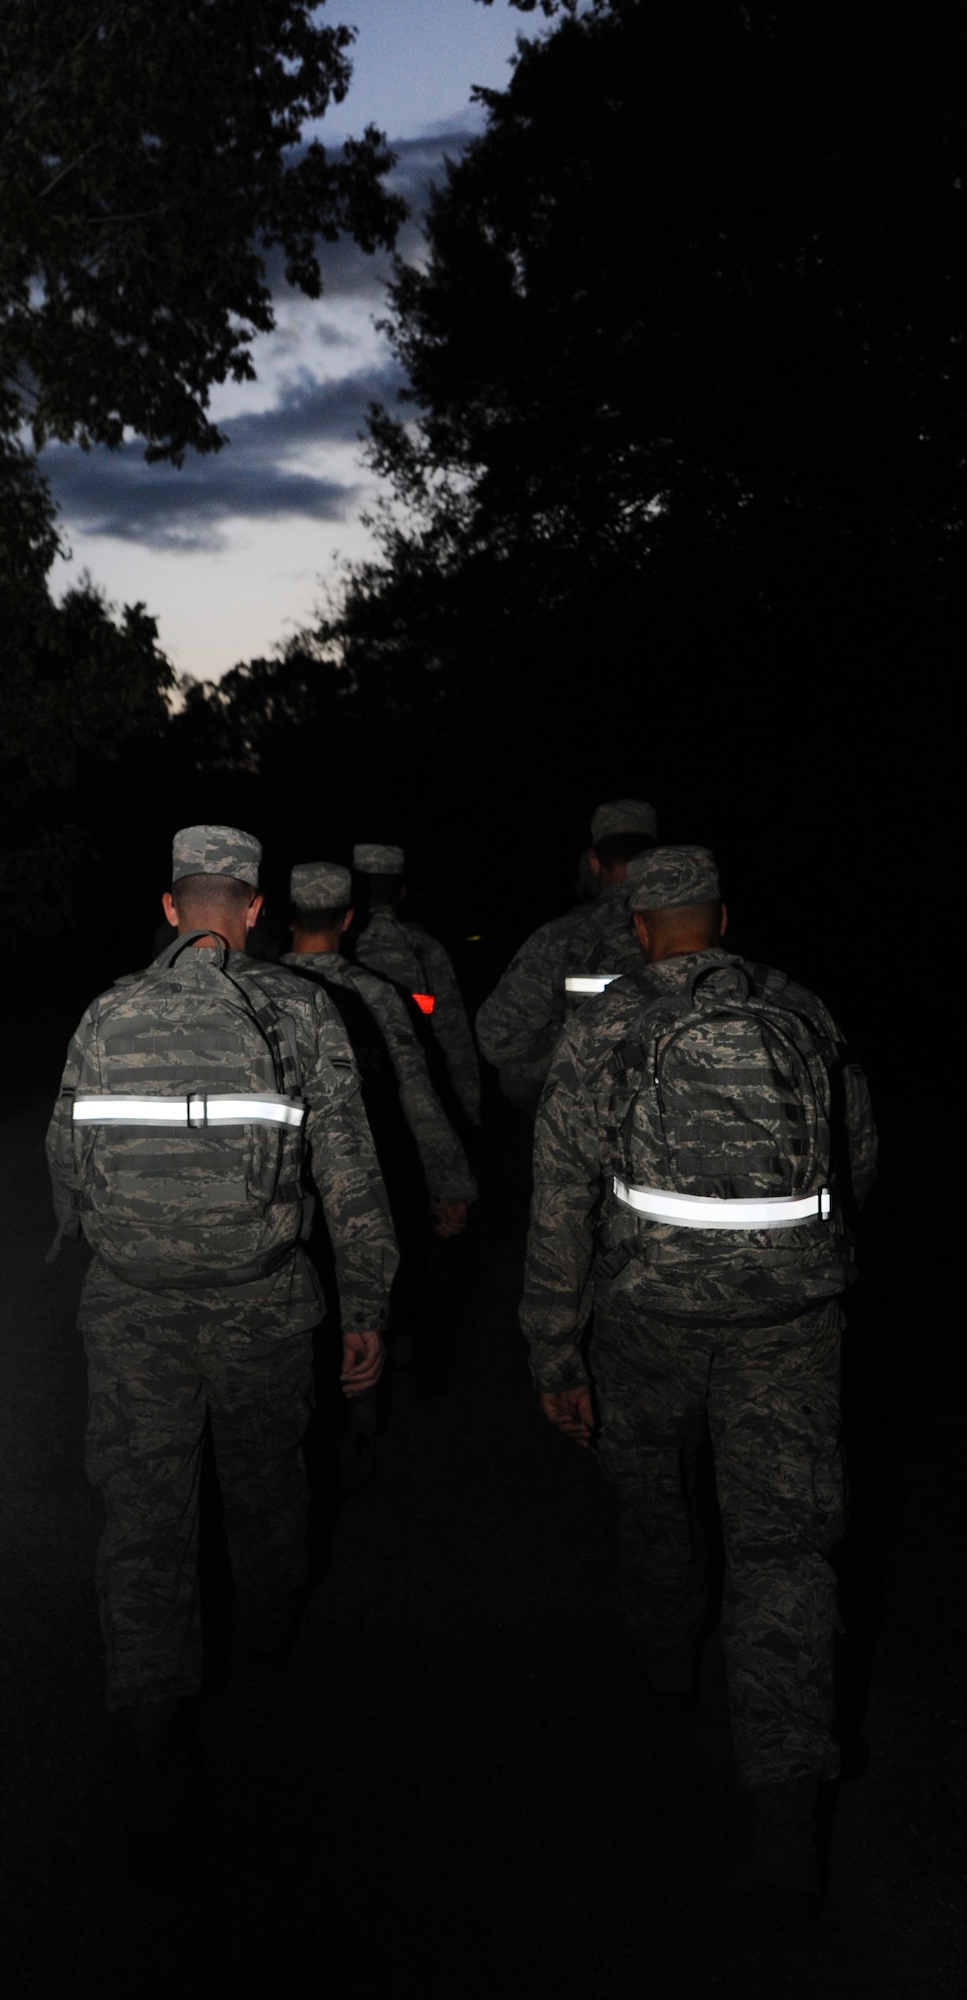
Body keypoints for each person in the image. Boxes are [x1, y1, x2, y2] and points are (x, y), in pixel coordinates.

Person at [519, 845, 877, 1914]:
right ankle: (782, 1809)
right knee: (781, 1548)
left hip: (645, 1318)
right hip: (788, 1318)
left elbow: (557, 1200)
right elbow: (855, 1157)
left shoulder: (607, 1022)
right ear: (720, 916)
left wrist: (550, 1345)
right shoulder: (799, 1009)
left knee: (651, 1485)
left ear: (636, 925)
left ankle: (666, 1655)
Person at [47, 826, 397, 1838]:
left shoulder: (108, 1009)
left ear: (169, 906)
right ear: (250, 909)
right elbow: (352, 1174)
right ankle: (274, 1622)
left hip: (133, 1306)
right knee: (267, 1479)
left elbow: (67, 1160)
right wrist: (367, 1303)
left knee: (145, 1519)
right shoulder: (300, 1009)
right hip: (263, 1303)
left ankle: (158, 1744)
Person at [283, 861, 477, 1385]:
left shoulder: (260, 992)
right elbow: (418, 1093)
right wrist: (448, 1184)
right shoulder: (376, 995)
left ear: (288, 916)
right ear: (348, 919)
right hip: (362, 1182)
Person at [476, 798, 657, 1112]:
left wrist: (567, 1059)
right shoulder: (693, 930)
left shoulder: (559, 938)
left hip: (582, 1127)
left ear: (594, 861)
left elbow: (498, 1037)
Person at [351, 842, 482, 1136]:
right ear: (401, 893)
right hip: (412, 1105)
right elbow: (454, 1037)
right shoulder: (424, 949)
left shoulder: (332, 943)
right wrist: (467, 1115)